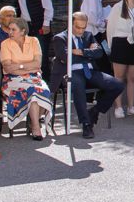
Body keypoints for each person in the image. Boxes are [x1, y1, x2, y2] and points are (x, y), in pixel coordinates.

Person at [52, 11, 123, 140]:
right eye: (77, 27)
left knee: (117, 85)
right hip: (71, 72)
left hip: (90, 72)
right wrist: (87, 53)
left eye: (83, 28)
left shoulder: (88, 36)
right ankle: (86, 124)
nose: (80, 31)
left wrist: (79, 52)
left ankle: (94, 111)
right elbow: (65, 57)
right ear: (70, 24)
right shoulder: (60, 38)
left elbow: (99, 53)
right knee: (78, 85)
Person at [0, 16, 52, 141]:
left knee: (42, 91)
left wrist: (19, 66)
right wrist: (28, 67)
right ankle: (36, 127)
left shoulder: (34, 41)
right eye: (9, 30)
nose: (10, 32)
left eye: (13, 30)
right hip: (12, 79)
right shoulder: (5, 44)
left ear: (22, 31)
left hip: (33, 78)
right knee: (34, 91)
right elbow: (8, 67)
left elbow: (38, 64)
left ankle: (34, 122)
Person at [104, 0, 134, 119]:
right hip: (120, 42)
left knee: (132, 77)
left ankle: (131, 107)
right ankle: (118, 107)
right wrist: (111, 46)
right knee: (118, 77)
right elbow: (110, 28)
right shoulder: (118, 7)